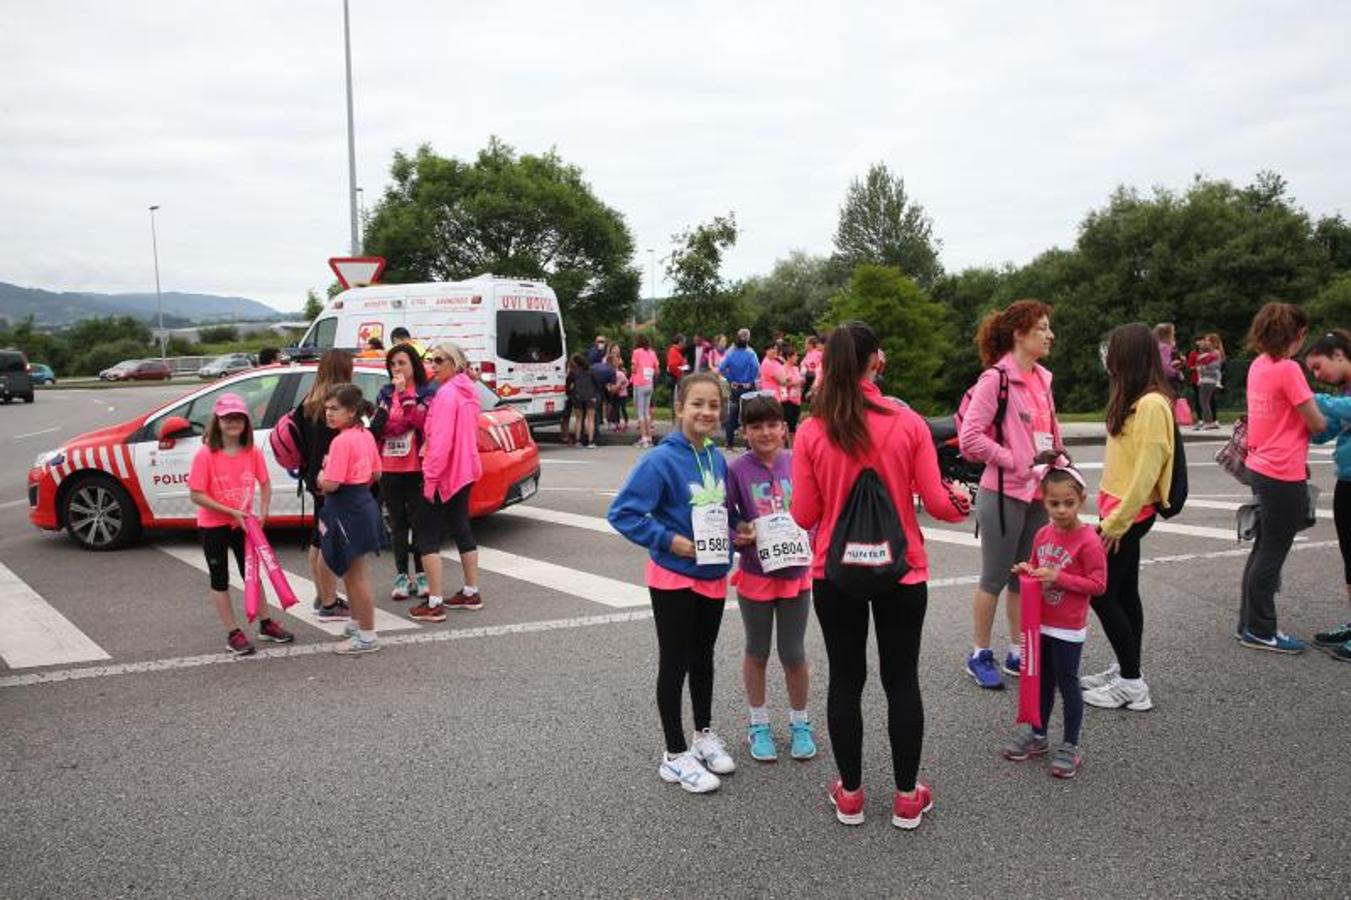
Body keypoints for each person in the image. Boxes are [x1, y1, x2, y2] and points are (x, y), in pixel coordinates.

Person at [791, 322, 971, 830]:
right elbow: (938, 501)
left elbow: (804, 514)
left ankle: (850, 796)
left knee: (846, 681)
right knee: (901, 681)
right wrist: (962, 504)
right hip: (902, 570)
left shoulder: (812, 429)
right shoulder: (908, 422)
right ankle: (907, 798)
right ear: (876, 361)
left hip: (835, 571)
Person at [607, 372, 736, 795]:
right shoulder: (660, 460)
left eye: (713, 405)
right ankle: (674, 754)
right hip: (674, 576)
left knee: (703, 658)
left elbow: (719, 513)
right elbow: (623, 513)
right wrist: (669, 541)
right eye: (697, 403)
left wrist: (740, 534)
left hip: (713, 573)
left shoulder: (716, 457)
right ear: (679, 408)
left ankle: (702, 735)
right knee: (675, 661)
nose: (706, 412)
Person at [957, 300, 1063, 690]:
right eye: (1042, 328)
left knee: (1025, 578)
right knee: (994, 578)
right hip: (1001, 492)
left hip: (1037, 491)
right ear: (1020, 334)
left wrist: (1060, 460)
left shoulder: (1042, 379)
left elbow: (1049, 432)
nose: (1050, 335)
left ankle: (1019, 650)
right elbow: (970, 439)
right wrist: (1015, 459)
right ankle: (979, 653)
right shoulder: (996, 379)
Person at [1081, 323, 1177, 711]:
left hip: (1129, 514)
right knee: (1124, 593)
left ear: (1128, 356)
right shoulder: (1135, 398)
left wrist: (1116, 523)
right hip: (1120, 510)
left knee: (1099, 593)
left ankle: (1132, 684)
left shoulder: (1152, 404)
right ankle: (1126, 668)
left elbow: (1147, 471)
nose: (1107, 356)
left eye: (1112, 350)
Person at [725, 394, 816, 764]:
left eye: (772, 425)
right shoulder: (736, 470)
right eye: (756, 426)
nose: (765, 432)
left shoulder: (798, 464)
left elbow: (819, 510)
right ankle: (758, 723)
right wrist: (738, 533)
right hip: (756, 573)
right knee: (757, 651)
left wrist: (813, 537)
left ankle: (800, 722)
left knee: (793, 654)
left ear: (784, 429)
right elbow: (724, 515)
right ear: (745, 432)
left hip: (797, 573)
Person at [1001, 465, 1106, 779]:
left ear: (1082, 500)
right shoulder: (1042, 533)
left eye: (1068, 503)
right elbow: (1036, 565)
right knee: (1041, 679)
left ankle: (1071, 744)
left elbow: (1098, 585)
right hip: (1039, 622)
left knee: (1067, 681)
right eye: (1054, 503)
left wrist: (1059, 577)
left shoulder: (1088, 540)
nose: (1061, 510)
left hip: (1068, 626)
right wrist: (1027, 570)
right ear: (1044, 502)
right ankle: (1038, 734)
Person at [1237, 303, 1326, 654]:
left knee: (1263, 547)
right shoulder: (1289, 369)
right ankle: (1260, 629)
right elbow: (1317, 422)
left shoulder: (1259, 365)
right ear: (1298, 334)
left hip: (1260, 465)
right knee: (1272, 550)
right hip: (1283, 471)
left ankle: (1248, 623)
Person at [187, 393, 292, 656]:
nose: (233, 423)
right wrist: (232, 512)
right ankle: (233, 632)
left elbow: (265, 483)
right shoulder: (205, 454)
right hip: (214, 525)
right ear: (217, 421)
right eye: (227, 418)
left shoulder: (252, 451)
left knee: (252, 575)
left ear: (246, 422)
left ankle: (266, 624)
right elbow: (196, 495)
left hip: (243, 524)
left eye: (239, 418)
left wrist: (263, 512)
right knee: (219, 578)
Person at [411, 343, 485, 621]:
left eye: (440, 360)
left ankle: (434, 602)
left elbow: (440, 444)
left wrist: (430, 479)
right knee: (461, 527)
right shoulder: (469, 392)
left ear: (454, 363)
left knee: (426, 537)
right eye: (431, 360)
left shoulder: (446, 395)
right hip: (465, 470)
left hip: (445, 474)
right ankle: (470, 591)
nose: (434, 364)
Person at [317, 383, 388, 655]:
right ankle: (358, 623)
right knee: (352, 572)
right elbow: (376, 473)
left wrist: (320, 478)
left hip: (346, 507)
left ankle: (367, 635)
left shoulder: (341, 440)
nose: (329, 414)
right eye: (327, 409)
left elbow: (332, 483)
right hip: (362, 502)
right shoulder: (365, 435)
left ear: (352, 411)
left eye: (335, 409)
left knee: (355, 576)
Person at [370, 342, 437, 601]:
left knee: (419, 521)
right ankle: (401, 575)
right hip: (389, 466)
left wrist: (405, 400)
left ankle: (421, 574)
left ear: (414, 366)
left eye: (402, 363)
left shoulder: (425, 392)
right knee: (398, 522)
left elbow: (420, 422)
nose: (396, 368)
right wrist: (396, 421)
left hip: (417, 465)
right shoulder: (385, 393)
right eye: (393, 364)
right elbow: (379, 426)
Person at [295, 349, 353, 620]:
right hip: (329, 480)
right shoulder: (333, 406)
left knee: (318, 540)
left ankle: (322, 594)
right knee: (327, 541)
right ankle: (329, 603)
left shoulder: (308, 402)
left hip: (312, 476)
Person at [1307, 329, 1351, 662]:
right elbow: (1329, 430)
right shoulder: (1344, 393)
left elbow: (1340, 408)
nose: (1318, 376)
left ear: (1339, 355)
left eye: (1319, 367)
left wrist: (1308, 401)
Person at [719, 328, 761, 449]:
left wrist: (730, 379)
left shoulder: (730, 353)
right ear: (748, 339)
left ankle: (729, 443)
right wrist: (750, 380)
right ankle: (749, 444)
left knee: (732, 415)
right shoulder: (751, 353)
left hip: (735, 388)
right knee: (749, 415)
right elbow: (756, 368)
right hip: (748, 388)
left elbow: (721, 368)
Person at [630, 335, 660, 448]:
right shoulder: (652, 353)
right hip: (649, 383)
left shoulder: (636, 352)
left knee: (640, 412)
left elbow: (633, 368)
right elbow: (657, 370)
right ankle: (649, 437)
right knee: (647, 412)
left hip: (639, 383)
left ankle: (643, 439)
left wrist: (635, 371)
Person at [567, 353, 601, 448]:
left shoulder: (573, 372)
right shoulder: (591, 371)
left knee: (578, 419)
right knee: (590, 420)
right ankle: (590, 442)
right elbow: (597, 384)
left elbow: (568, 384)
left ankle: (578, 441)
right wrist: (596, 394)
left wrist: (570, 392)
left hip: (578, 396)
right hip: (591, 396)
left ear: (575, 362)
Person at [1195, 333, 1226, 430]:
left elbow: (1213, 366)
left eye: (1208, 340)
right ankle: (1210, 421)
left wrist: (1203, 366)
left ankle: (1208, 422)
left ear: (1214, 342)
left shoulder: (1215, 353)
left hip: (1208, 380)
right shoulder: (1213, 353)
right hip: (1208, 379)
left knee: (1204, 401)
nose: (1206, 342)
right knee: (1205, 401)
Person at [605, 345, 630, 432]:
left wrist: (621, 386)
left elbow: (626, 381)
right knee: (613, 406)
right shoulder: (609, 367)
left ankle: (621, 422)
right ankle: (613, 422)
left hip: (621, 392)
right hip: (613, 390)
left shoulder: (620, 371)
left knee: (620, 407)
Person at [782, 344, 804, 443]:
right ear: (788, 357)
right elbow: (782, 384)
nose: (797, 357)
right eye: (795, 355)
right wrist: (794, 383)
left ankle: (793, 447)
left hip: (797, 399)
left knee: (794, 424)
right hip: (788, 400)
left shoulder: (796, 368)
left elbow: (798, 382)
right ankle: (790, 446)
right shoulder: (783, 369)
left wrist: (801, 383)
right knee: (789, 425)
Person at [801, 336, 823, 401]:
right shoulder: (808, 353)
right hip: (807, 378)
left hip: (814, 379)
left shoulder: (818, 354)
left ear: (810, 345)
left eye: (806, 343)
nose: (805, 345)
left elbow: (817, 368)